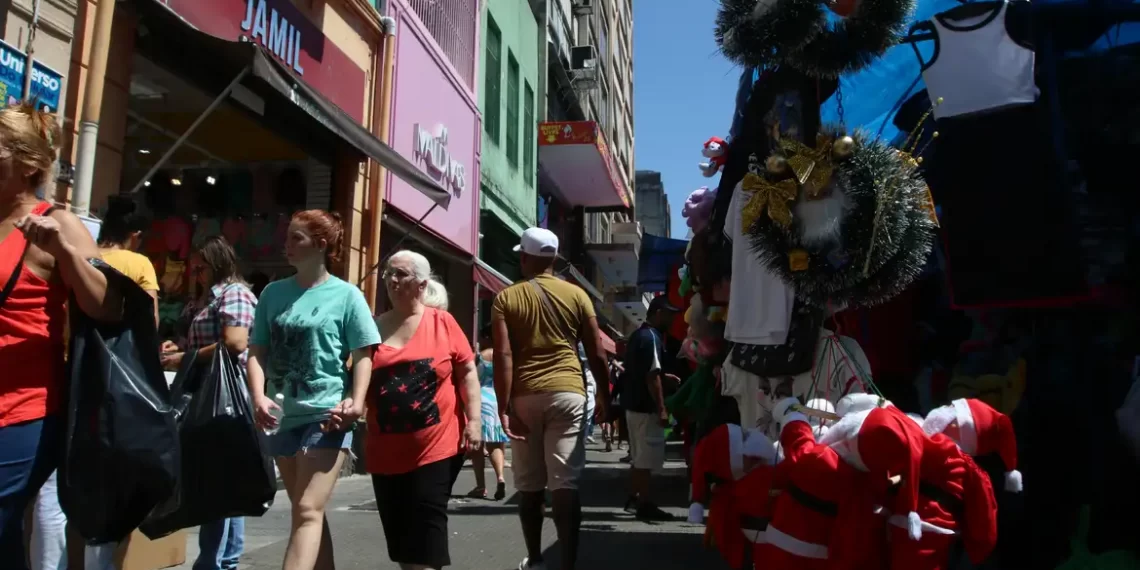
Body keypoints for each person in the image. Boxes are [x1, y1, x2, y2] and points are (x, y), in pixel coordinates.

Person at [0, 103, 122, 569]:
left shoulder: (59, 223)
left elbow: (107, 305)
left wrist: (65, 254)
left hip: (25, 414)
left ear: (29, 164)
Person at [33, 196, 162, 570]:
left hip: (70, 373)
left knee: (62, 486)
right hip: (116, 386)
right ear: (135, 235)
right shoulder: (137, 263)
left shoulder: (80, 250)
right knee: (114, 484)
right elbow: (147, 326)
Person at [247, 210, 380, 570]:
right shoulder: (273, 293)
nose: (286, 244)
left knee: (307, 510)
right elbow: (257, 351)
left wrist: (357, 401)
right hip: (282, 414)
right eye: (288, 236)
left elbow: (363, 354)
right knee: (307, 513)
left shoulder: (347, 296)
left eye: (296, 238)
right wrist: (258, 396)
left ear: (321, 245)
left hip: (327, 416)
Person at [491, 227, 611, 570]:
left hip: (525, 396)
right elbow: (597, 352)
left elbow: (503, 355)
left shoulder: (506, 298)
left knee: (529, 485)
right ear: (555, 259)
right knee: (565, 483)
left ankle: (537, 558)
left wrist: (503, 406)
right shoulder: (578, 296)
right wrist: (604, 393)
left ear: (525, 257)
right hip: (569, 394)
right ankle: (568, 563)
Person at [367, 250, 481, 570]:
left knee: (427, 531)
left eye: (401, 274)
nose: (391, 280)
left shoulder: (442, 322)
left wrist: (474, 422)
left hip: (436, 448)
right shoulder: (371, 328)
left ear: (421, 284)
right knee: (403, 544)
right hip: (384, 452)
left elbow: (467, 372)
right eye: (388, 273)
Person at [159, 235, 257, 570]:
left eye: (201, 266)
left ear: (217, 262)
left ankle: (214, 562)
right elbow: (197, 341)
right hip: (202, 394)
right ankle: (220, 560)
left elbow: (235, 343)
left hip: (225, 397)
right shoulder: (203, 298)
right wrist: (177, 347)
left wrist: (184, 358)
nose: (196, 271)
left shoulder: (235, 294)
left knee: (218, 482)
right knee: (219, 481)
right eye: (194, 266)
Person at [621, 295, 681, 521]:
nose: (673, 320)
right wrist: (662, 408)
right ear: (658, 314)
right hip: (645, 409)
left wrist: (664, 377)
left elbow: (647, 372)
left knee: (639, 458)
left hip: (633, 406)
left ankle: (635, 497)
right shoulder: (651, 338)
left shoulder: (639, 335)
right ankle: (644, 503)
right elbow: (651, 375)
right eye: (670, 315)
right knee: (646, 459)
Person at [467, 326, 508, 500]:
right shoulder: (503, 356)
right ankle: (500, 477)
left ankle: (481, 486)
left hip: (481, 400)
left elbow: (472, 379)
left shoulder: (480, 357)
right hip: (497, 401)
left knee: (478, 447)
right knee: (496, 444)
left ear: (485, 337)